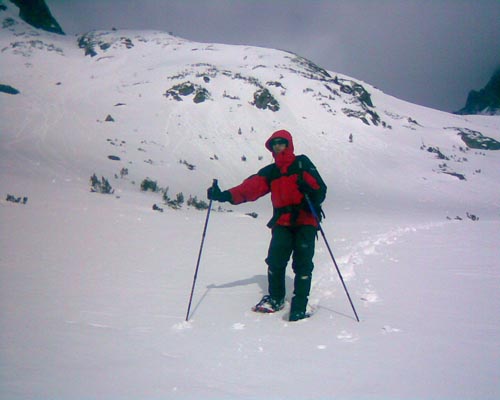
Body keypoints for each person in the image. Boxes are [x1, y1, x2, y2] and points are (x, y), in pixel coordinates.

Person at [207, 129, 327, 321]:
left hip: (305, 220)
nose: (277, 146)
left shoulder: (302, 163)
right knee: (275, 261)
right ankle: (276, 298)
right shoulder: (272, 172)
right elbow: (249, 189)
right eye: (274, 143)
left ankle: (299, 305)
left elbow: (320, 190)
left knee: (303, 264)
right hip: (282, 222)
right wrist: (224, 195)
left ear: (289, 144)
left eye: (281, 142)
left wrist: (311, 191)